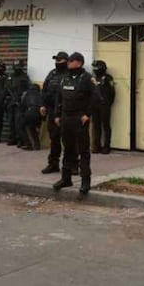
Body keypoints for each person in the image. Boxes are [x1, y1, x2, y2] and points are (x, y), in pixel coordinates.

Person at [53, 52, 101, 198]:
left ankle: (85, 181)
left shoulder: (87, 78)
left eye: (71, 61)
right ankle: (66, 178)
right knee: (67, 150)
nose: (68, 63)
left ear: (79, 63)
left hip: (79, 119)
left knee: (83, 151)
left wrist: (88, 114)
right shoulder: (65, 78)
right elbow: (59, 97)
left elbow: (97, 97)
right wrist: (57, 114)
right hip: (66, 118)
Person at [40, 51, 69, 174]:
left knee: (68, 140)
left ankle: (71, 165)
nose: (58, 63)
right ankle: (53, 164)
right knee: (54, 139)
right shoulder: (52, 74)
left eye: (60, 61)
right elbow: (45, 90)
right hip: (52, 110)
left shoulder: (70, 74)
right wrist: (43, 105)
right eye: (56, 60)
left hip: (66, 111)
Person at [90, 60, 115, 154]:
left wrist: (107, 103)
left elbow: (112, 93)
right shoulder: (92, 78)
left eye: (96, 68)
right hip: (94, 105)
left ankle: (106, 146)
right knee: (96, 126)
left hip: (104, 105)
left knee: (106, 126)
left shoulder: (108, 78)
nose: (95, 70)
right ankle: (96, 146)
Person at [9, 59, 31, 146]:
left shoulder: (24, 77)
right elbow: (7, 89)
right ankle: (12, 138)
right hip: (11, 102)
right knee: (11, 121)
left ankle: (20, 140)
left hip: (20, 102)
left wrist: (23, 100)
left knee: (18, 122)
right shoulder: (11, 77)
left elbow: (28, 90)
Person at [18, 84, 44, 150]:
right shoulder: (40, 94)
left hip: (29, 112)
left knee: (21, 127)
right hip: (38, 114)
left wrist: (22, 114)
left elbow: (22, 106)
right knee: (32, 128)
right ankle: (37, 145)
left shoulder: (27, 94)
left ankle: (28, 144)